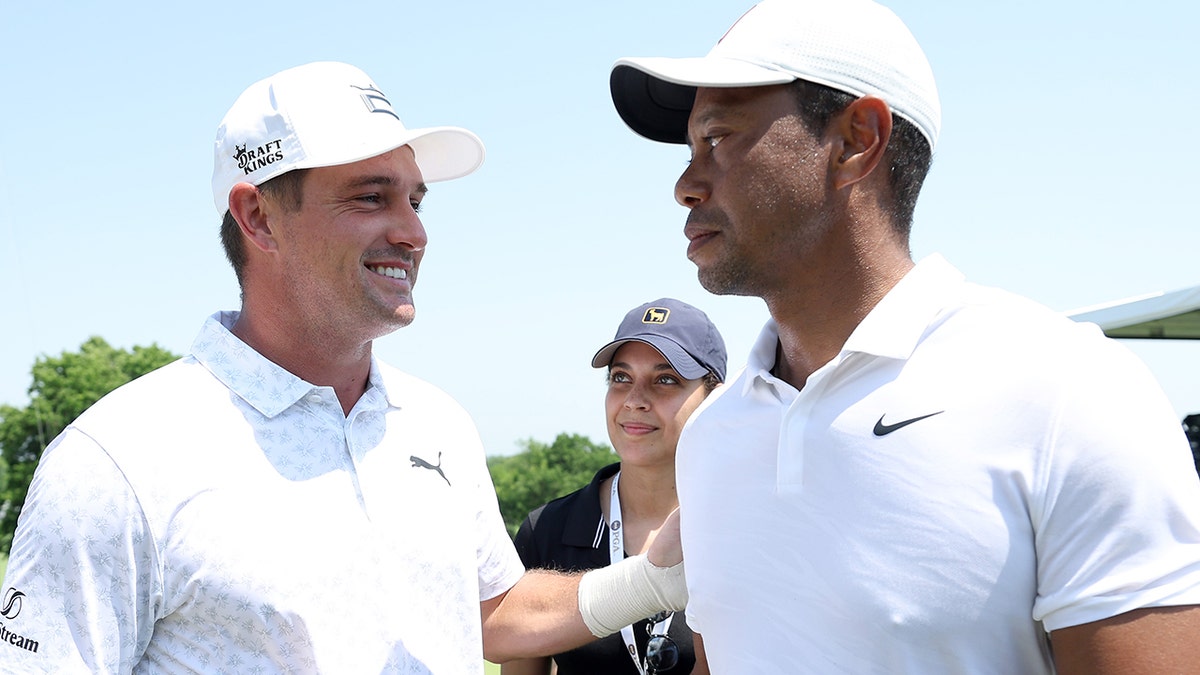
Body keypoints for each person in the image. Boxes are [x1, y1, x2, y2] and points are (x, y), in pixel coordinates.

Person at [0, 61, 686, 673]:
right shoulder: (117, 460)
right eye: (370, 196)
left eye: (415, 200)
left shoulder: (437, 423)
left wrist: (656, 577)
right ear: (259, 216)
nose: (414, 233)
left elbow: (490, 613)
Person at [607, 1, 1200, 673]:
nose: (685, 184)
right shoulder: (715, 438)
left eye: (717, 138)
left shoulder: (1070, 392)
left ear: (858, 138)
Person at [504, 299, 725, 675]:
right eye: (621, 378)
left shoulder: (743, 528)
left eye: (665, 379)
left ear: (714, 397)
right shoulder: (548, 529)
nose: (635, 400)